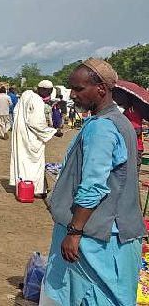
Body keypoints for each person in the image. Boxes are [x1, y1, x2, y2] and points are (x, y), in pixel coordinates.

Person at [40, 58, 145, 306]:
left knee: (95, 297)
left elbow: (94, 185)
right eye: (71, 89)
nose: (72, 95)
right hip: (115, 231)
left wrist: (75, 232)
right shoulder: (121, 123)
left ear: (101, 89)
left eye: (78, 89)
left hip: (98, 236)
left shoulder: (102, 128)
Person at [9, 80, 59, 196]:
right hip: (30, 135)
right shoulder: (37, 100)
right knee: (33, 163)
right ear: (43, 89)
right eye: (49, 92)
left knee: (23, 161)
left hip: (21, 132)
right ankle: (36, 190)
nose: (49, 95)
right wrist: (53, 132)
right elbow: (36, 123)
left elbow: (16, 112)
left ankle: (22, 187)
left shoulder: (26, 94)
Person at [114, 90, 145, 165]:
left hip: (135, 147)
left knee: (133, 169)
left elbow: (138, 131)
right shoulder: (126, 111)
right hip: (128, 146)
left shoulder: (133, 111)